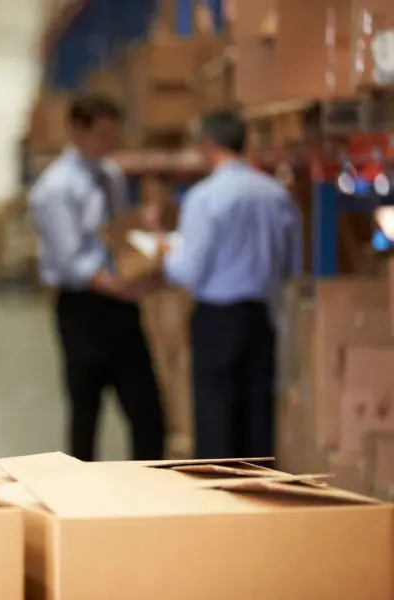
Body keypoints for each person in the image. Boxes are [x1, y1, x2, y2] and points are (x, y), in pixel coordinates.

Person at [29, 94, 166, 462]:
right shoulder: (56, 187)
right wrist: (117, 287)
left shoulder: (111, 175)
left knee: (147, 409)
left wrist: (144, 248)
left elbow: (116, 235)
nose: (109, 143)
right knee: (86, 408)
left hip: (120, 304)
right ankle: (81, 495)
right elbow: (71, 261)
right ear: (77, 130)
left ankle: (150, 489)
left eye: (113, 134)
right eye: (102, 134)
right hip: (83, 307)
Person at [162, 110, 303, 460]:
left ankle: (222, 503)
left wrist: (165, 253)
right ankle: (261, 499)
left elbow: (188, 269)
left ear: (208, 145)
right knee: (258, 418)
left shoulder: (204, 197)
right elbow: (293, 264)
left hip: (217, 319)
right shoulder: (276, 195)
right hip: (261, 317)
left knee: (216, 421)